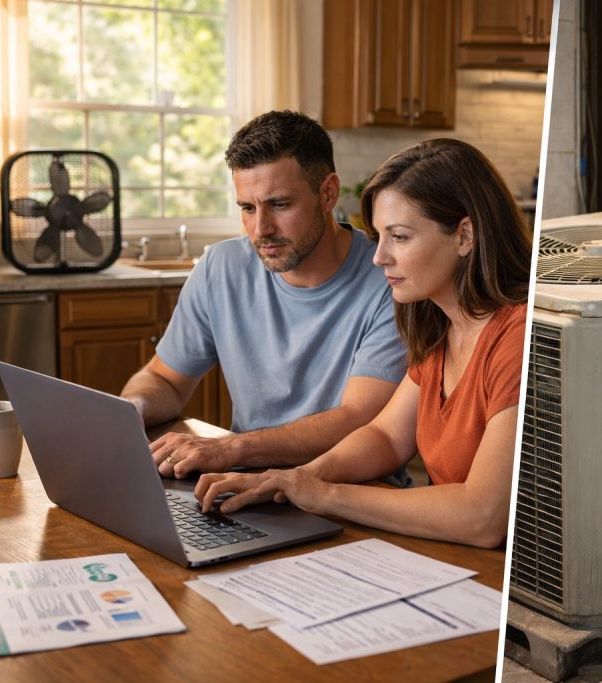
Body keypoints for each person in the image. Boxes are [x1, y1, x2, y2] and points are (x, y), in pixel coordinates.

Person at [194, 138, 531, 548]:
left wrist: (324, 495)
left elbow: (482, 517)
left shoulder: (517, 336)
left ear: (464, 236)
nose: (379, 257)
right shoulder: (441, 326)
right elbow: (386, 437)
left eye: (399, 237)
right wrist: (293, 479)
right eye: (379, 236)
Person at [121, 110, 407, 477]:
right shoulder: (219, 268)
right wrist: (133, 408)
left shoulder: (391, 279)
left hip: (351, 489)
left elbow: (358, 419)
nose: (260, 229)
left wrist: (232, 448)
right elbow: (164, 380)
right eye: (247, 208)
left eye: (279, 205)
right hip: (244, 482)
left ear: (328, 193)